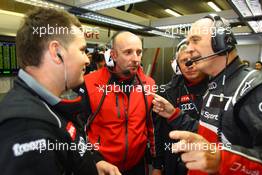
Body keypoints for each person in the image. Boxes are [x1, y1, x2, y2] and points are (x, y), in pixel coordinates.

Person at [0, 7, 121, 175]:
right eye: (81, 50)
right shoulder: (28, 131)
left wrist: (91, 166)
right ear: (56, 52)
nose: (87, 59)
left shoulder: (46, 107)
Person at [152, 14, 262, 174]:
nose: (189, 49)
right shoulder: (215, 86)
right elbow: (209, 134)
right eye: (188, 41)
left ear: (221, 41)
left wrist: (222, 160)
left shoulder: (255, 88)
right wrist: (173, 114)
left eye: (195, 40)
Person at [81, 31, 156, 174]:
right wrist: (94, 159)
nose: (136, 59)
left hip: (137, 166)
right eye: (128, 52)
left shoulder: (149, 84)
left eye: (139, 52)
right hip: (102, 166)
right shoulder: (91, 84)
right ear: (114, 55)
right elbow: (78, 128)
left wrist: (157, 164)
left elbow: (151, 127)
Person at [152, 39, 208, 175]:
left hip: (208, 161)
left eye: (195, 59)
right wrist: (157, 165)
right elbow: (159, 133)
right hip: (174, 164)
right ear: (177, 65)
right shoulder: (167, 92)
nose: (190, 65)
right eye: (184, 61)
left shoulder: (218, 89)